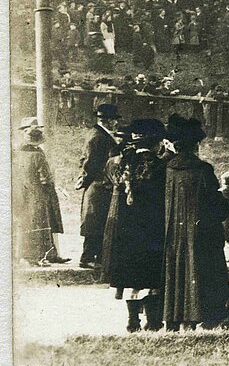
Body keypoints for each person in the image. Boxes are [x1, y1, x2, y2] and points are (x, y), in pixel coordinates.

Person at [162, 115, 229, 330]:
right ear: (195, 145)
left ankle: (176, 319)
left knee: (177, 271)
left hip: (175, 234)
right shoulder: (203, 170)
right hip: (203, 233)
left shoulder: (168, 169)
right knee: (205, 272)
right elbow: (218, 207)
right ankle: (206, 318)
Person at [102, 118, 168, 331]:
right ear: (156, 142)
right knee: (150, 274)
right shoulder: (158, 165)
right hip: (151, 226)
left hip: (126, 227)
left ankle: (133, 321)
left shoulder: (119, 163)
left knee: (131, 275)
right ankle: (153, 320)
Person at [16, 118, 67, 266]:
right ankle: (39, 256)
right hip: (38, 192)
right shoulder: (38, 154)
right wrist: (50, 186)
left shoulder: (17, 152)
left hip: (22, 191)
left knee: (29, 222)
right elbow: (45, 177)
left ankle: (46, 254)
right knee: (41, 222)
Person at [77, 103, 122, 268]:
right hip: (98, 185)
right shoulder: (98, 137)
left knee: (98, 221)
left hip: (100, 184)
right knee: (95, 222)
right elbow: (90, 163)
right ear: (107, 121)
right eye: (113, 120)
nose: (115, 123)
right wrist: (86, 180)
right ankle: (88, 258)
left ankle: (97, 258)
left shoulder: (99, 134)